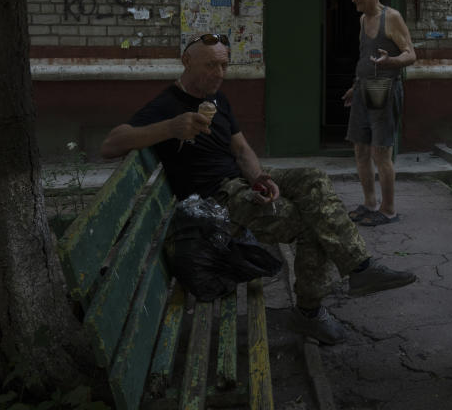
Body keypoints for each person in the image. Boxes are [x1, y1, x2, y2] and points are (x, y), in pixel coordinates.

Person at [100, 33, 417, 346]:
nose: (219, 74)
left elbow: (241, 150)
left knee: (313, 177)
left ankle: (360, 268)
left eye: (224, 66)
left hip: (240, 181)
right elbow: (111, 144)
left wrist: (257, 177)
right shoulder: (167, 104)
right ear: (186, 61)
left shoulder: (218, 100)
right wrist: (169, 128)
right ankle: (311, 311)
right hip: (214, 201)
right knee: (311, 225)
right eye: (211, 66)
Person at [342, 0, 416, 226]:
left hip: (383, 88)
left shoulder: (391, 18)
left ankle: (388, 210)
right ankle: (370, 203)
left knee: (380, 152)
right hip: (364, 88)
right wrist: (355, 86)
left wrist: (392, 61)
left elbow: (411, 54)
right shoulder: (363, 20)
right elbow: (364, 58)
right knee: (360, 149)